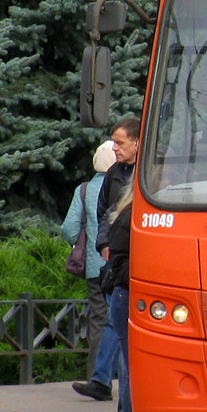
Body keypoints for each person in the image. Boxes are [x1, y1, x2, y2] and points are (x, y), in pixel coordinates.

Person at [93, 117, 184, 412]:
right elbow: (109, 227)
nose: (115, 147)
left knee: (143, 365)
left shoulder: (133, 201)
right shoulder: (134, 207)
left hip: (128, 288)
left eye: (119, 141)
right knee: (134, 367)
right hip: (130, 290)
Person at [64, 141, 120, 396]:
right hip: (120, 265)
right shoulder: (124, 185)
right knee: (121, 320)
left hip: (94, 269)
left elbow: (69, 229)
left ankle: (97, 377)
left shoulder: (84, 190)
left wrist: (82, 244)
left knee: (99, 320)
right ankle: (115, 379)